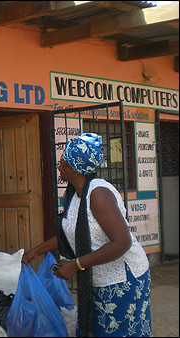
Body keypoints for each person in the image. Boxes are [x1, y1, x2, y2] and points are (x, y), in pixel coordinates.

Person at [22, 133, 151, 337]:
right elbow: (70, 234)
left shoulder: (98, 194)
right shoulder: (75, 194)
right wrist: (36, 251)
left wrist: (76, 264)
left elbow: (122, 242)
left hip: (122, 279)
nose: (59, 167)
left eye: (62, 163)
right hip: (97, 278)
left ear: (73, 167)